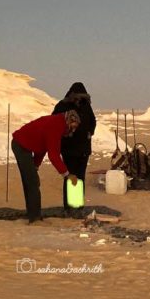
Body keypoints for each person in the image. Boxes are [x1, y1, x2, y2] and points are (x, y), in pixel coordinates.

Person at [11, 110, 81, 223]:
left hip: (25, 145)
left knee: (31, 180)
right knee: (32, 182)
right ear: (68, 121)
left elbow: (42, 147)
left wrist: (35, 165)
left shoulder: (58, 124)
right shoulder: (56, 126)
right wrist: (67, 175)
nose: (72, 131)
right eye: (72, 127)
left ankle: (32, 213)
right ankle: (34, 218)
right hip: (21, 145)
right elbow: (53, 155)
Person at [52, 82, 96, 210]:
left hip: (83, 149)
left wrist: (89, 132)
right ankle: (70, 207)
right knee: (71, 177)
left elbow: (92, 121)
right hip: (69, 149)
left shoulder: (86, 106)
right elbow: (54, 123)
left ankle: (77, 206)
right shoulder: (63, 105)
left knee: (80, 177)